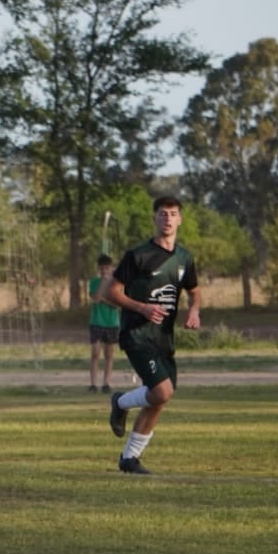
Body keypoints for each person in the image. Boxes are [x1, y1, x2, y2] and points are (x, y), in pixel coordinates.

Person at [104, 196, 201, 474]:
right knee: (161, 390)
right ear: (154, 219)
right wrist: (142, 308)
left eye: (172, 214)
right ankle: (120, 402)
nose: (168, 219)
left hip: (163, 337)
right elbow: (111, 292)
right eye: (162, 214)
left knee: (160, 398)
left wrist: (194, 311)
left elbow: (195, 291)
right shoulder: (138, 255)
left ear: (180, 219)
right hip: (136, 333)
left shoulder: (185, 258)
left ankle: (130, 459)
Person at [86, 254, 120, 393]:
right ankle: (93, 383)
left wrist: (105, 300)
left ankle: (106, 383)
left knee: (109, 354)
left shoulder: (116, 284)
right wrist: (102, 284)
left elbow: (117, 304)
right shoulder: (94, 282)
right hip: (96, 321)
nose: (104, 271)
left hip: (111, 322)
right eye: (102, 269)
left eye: (107, 268)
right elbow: (95, 298)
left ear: (111, 268)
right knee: (95, 353)